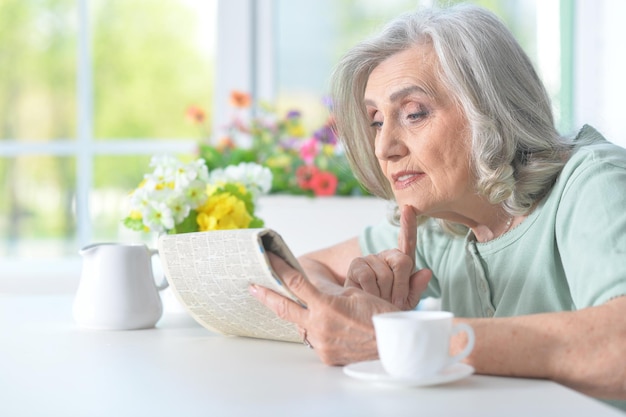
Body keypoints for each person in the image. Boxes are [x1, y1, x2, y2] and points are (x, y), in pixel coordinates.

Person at [248, 3, 626, 410]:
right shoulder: (439, 222)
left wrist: (398, 338)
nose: (384, 147)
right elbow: (307, 269)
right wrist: (350, 312)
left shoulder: (594, 182)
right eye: (376, 121)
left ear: (493, 109)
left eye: (413, 114)